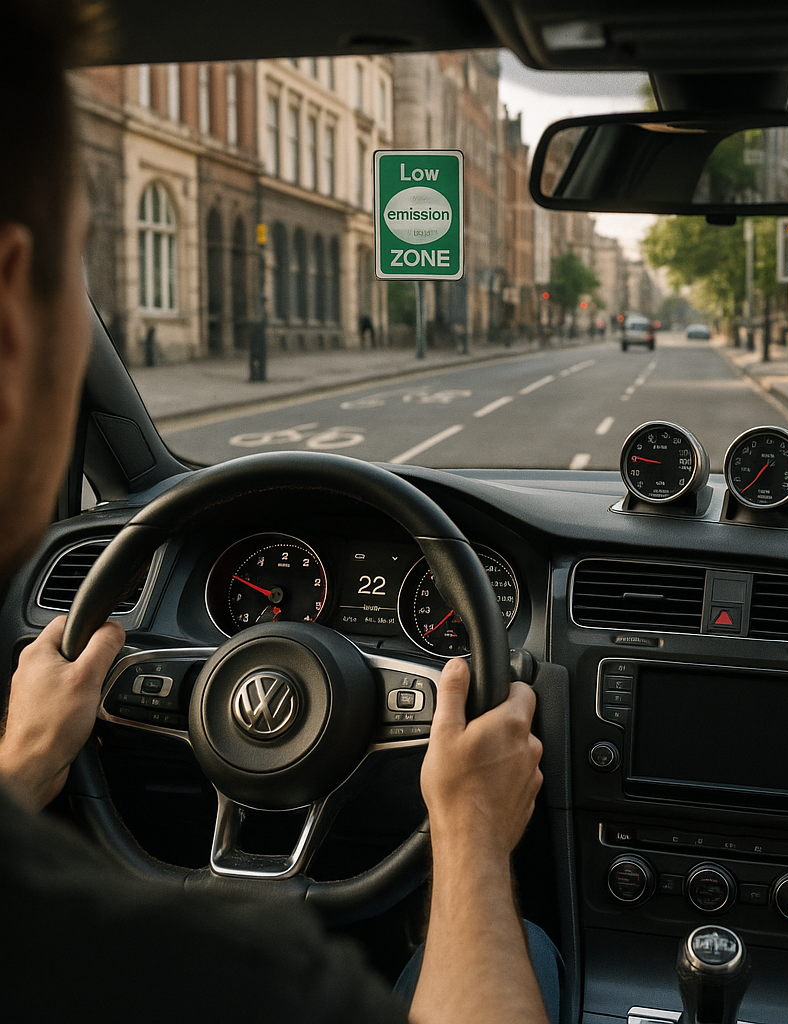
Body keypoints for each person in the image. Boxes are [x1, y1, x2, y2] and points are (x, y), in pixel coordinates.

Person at [0, 3, 554, 1022]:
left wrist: (24, 768)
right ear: (15, 324)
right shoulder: (211, 975)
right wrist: (471, 836)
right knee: (529, 947)